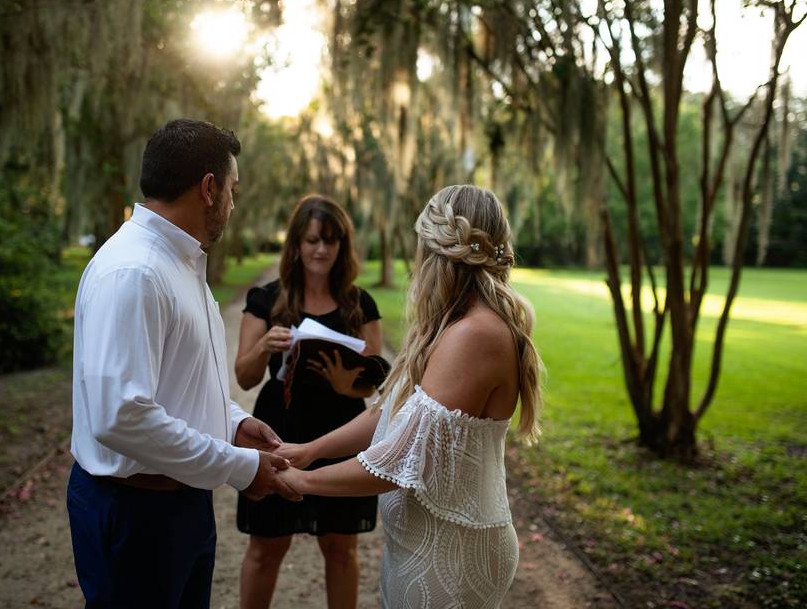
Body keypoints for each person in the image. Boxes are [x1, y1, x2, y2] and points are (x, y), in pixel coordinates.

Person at [66, 119, 301, 609]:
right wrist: (239, 467)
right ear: (209, 189)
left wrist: (232, 424)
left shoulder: (180, 263)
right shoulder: (135, 271)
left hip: (182, 503)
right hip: (136, 512)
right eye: (233, 190)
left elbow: (182, 379)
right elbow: (122, 415)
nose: (234, 204)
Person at [276, 184, 544, 608]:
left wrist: (304, 482)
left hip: (451, 552)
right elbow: (389, 412)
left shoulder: (475, 335)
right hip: (424, 544)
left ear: (434, 250)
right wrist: (309, 451)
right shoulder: (449, 324)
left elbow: (401, 458)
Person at [235, 194, 387, 609]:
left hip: (340, 431)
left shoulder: (359, 303)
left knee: (340, 549)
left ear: (343, 246)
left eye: (331, 241)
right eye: (312, 240)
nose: (321, 249)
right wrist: (265, 345)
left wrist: (348, 386)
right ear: (296, 244)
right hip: (278, 427)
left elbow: (374, 387)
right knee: (267, 547)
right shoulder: (266, 299)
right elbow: (244, 376)